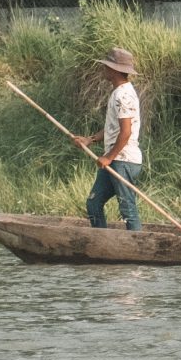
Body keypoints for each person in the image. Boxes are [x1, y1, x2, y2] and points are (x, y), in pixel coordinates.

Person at [78, 47, 143, 232]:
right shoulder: (117, 92)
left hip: (124, 160)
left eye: (106, 66)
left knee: (127, 208)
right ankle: (103, 240)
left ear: (114, 70)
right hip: (115, 160)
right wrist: (90, 139)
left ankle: (137, 246)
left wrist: (109, 157)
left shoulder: (124, 95)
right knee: (93, 203)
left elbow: (126, 132)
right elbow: (112, 130)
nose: (104, 70)